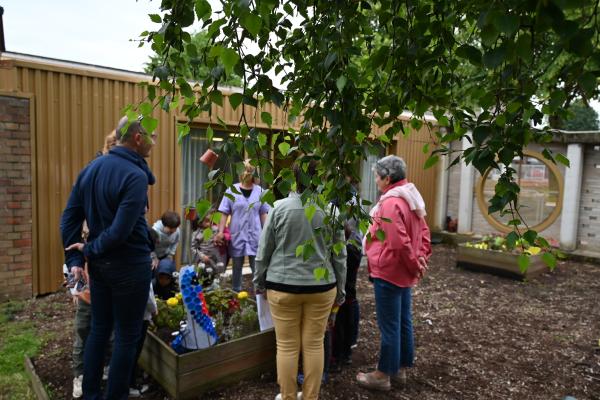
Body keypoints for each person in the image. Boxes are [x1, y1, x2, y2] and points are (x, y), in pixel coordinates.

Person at [60, 115, 157, 399]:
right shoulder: (135, 176)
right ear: (138, 138)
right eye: (152, 137)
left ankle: (91, 394)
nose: (155, 143)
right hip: (129, 266)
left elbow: (69, 219)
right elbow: (120, 231)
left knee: (99, 330)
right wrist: (85, 252)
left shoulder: (91, 169)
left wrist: (77, 261)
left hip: (100, 268)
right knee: (127, 336)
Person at [254, 160, 347, 400]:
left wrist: (259, 282)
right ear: (320, 179)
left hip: (282, 286)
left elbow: (264, 250)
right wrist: (341, 290)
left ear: (294, 179)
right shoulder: (331, 211)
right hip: (321, 287)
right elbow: (340, 255)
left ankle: (287, 397)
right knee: (314, 344)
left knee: (286, 345)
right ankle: (310, 397)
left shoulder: (278, 208)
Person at [356, 155, 431, 391]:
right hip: (403, 272)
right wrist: (420, 259)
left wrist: (414, 264)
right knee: (403, 321)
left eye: (377, 176)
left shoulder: (390, 202)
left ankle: (382, 375)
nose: (376, 180)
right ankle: (400, 369)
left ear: (387, 178)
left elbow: (398, 242)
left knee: (390, 325)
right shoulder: (411, 196)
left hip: (389, 271)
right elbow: (425, 233)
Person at [216, 159, 270, 292]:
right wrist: (220, 231)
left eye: (249, 170)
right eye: (244, 169)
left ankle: (259, 294)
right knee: (237, 267)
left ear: (253, 173)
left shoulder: (260, 191)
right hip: (237, 235)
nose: (247, 173)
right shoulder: (232, 190)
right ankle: (236, 295)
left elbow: (264, 214)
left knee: (256, 267)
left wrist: (267, 233)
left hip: (255, 236)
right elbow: (224, 212)